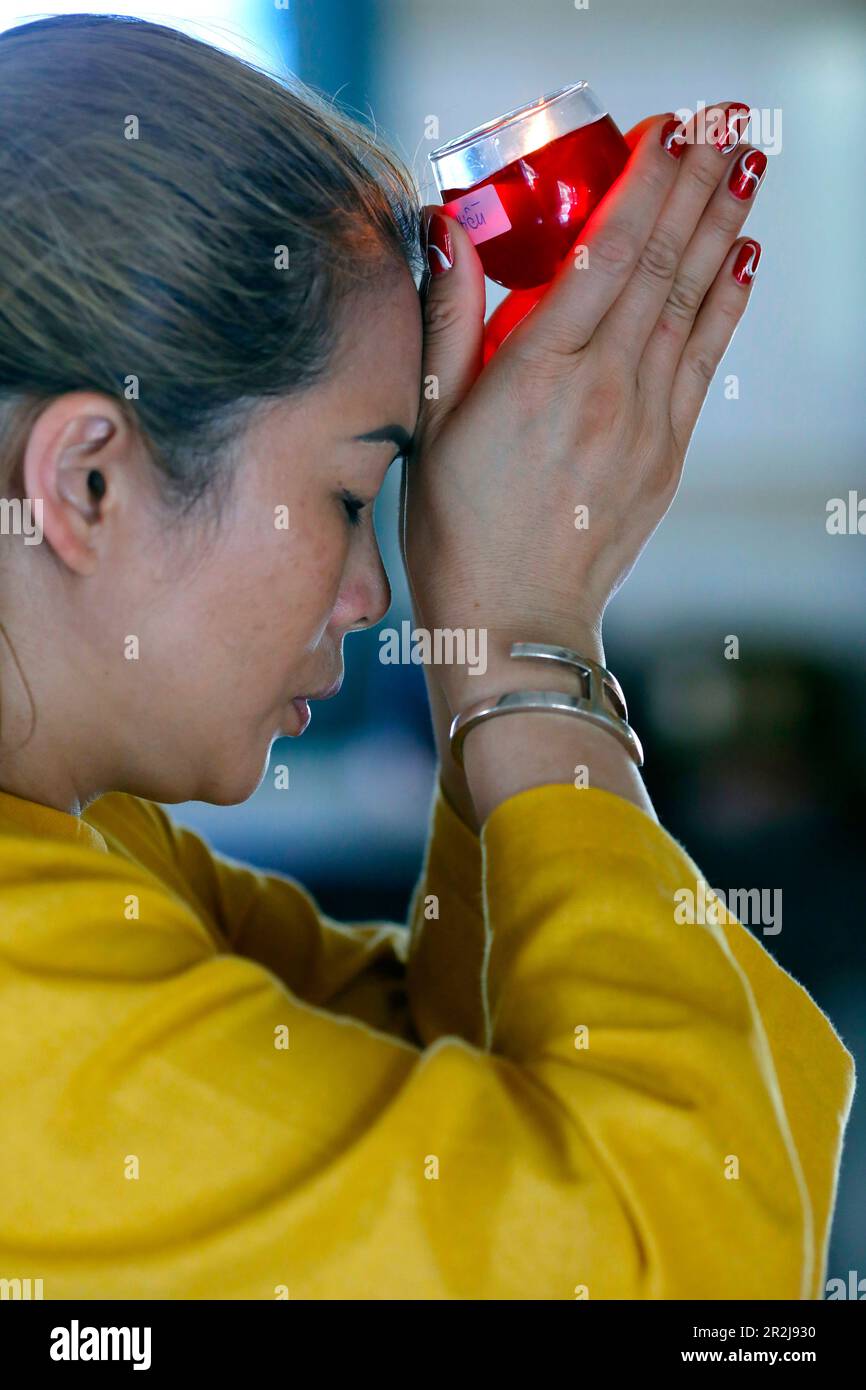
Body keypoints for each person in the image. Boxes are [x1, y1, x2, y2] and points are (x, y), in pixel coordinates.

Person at [0, 13, 853, 1300]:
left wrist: (495, 668)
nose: (372, 590)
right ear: (91, 482)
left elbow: (431, 1088)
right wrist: (524, 645)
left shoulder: (103, 851)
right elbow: (677, 1273)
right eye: (355, 497)